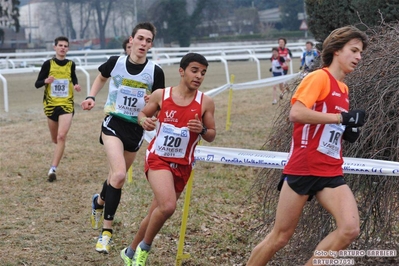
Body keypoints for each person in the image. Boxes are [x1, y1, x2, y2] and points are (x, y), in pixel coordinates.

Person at [247, 25, 368, 266]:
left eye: (361, 52)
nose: (359, 57)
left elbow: (326, 124)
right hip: (304, 166)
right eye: (354, 50)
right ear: (336, 50)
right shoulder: (318, 77)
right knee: (280, 236)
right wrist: (340, 119)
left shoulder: (343, 88)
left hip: (331, 169)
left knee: (349, 228)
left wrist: (346, 131)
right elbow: (297, 113)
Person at [119, 53, 216, 266]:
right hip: (158, 159)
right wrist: (145, 121)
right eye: (194, 70)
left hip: (183, 165)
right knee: (168, 206)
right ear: (181, 71)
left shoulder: (205, 102)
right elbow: (142, 114)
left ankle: (129, 251)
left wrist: (203, 129)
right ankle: (143, 251)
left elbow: (211, 134)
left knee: (156, 211)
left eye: (203, 72)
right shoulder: (161, 95)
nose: (199, 76)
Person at [80, 22, 165, 254]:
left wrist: (152, 113)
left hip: (136, 130)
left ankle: (99, 201)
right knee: (119, 175)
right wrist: (91, 96)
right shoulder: (116, 62)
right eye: (140, 39)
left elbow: (159, 103)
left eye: (148, 41)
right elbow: (101, 77)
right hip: (113, 123)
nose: (144, 44)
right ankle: (106, 233)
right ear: (131, 40)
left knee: (113, 179)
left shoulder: (155, 71)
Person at [34, 36, 81, 182]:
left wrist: (76, 85)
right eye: (60, 45)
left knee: (61, 136)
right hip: (50, 105)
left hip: (66, 105)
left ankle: (52, 169)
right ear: (55, 47)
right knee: (55, 139)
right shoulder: (48, 64)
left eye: (65, 46)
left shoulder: (71, 64)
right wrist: (45, 81)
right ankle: (59, 150)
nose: (63, 48)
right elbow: (37, 83)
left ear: (68, 48)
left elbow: (73, 77)